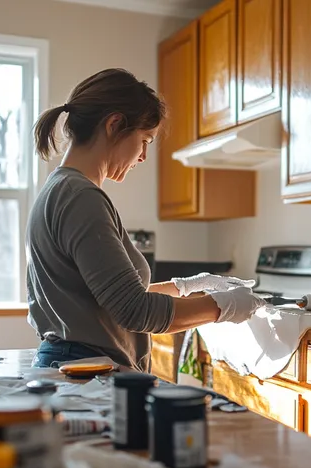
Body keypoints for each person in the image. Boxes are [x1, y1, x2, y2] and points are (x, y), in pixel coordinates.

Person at [27, 68, 265, 370]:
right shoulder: (80, 197)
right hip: (87, 371)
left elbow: (109, 300)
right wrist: (225, 307)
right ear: (114, 125)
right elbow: (135, 311)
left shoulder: (62, 189)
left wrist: (188, 286)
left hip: (76, 365)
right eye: (145, 140)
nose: (142, 157)